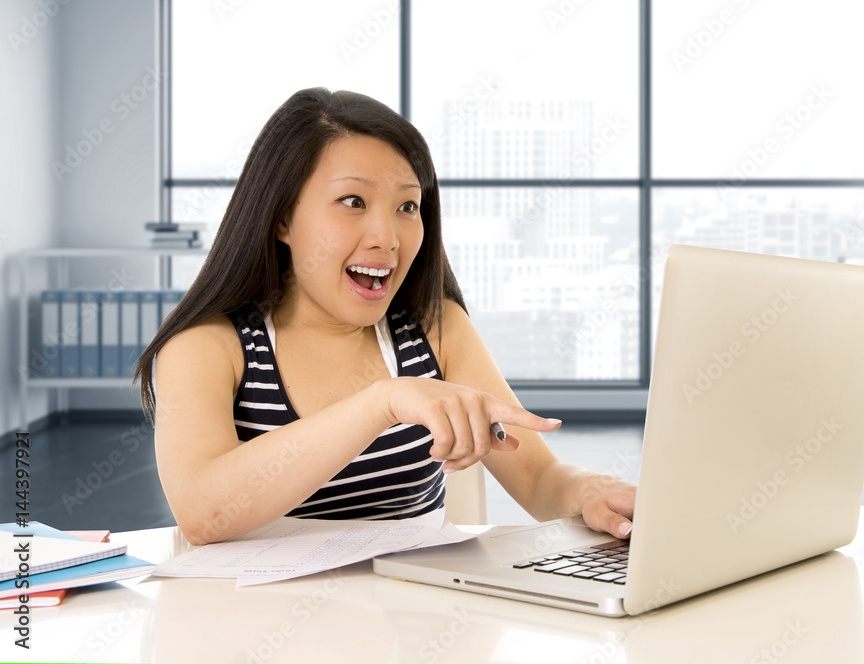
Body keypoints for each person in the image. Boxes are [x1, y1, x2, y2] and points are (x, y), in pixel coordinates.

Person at [135, 88, 636, 546]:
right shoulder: (208, 345)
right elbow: (202, 514)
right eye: (352, 201)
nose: (387, 237)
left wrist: (586, 491)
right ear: (283, 217)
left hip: (407, 628)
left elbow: (537, 479)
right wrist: (384, 402)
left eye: (407, 206)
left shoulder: (435, 329)